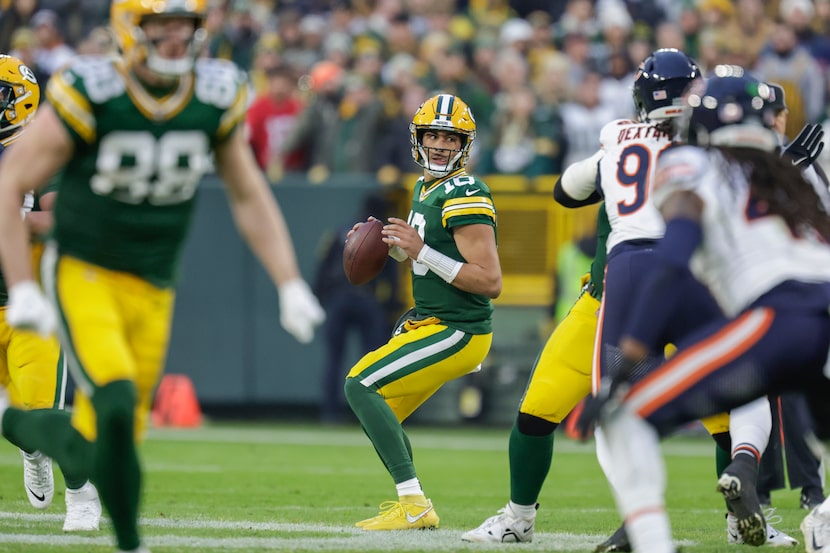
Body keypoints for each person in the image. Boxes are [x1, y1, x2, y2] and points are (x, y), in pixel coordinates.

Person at [0, 2, 325, 553]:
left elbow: (248, 193)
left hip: (152, 282)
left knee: (112, 435)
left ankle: (19, 428)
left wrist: (289, 281)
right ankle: (131, 543)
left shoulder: (214, 93)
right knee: (116, 398)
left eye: (186, 28)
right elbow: (11, 187)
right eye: (162, 27)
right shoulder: (91, 89)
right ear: (131, 31)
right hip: (82, 272)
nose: (176, 40)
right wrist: (24, 283)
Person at [581, 66, 830, 553]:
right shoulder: (796, 179)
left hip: (783, 320)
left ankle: (652, 544)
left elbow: (673, 257)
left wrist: (629, 355)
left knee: (625, 417)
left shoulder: (692, 165)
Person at [345, 93, 501, 531]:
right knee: (382, 415)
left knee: (359, 383)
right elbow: (425, 255)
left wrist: (423, 251)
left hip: (458, 328)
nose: (438, 144)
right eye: (431, 134)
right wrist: (391, 249)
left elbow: (490, 281)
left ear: (464, 144)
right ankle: (412, 504)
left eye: (449, 137)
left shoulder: (467, 191)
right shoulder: (424, 187)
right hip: (429, 321)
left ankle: (414, 504)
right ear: (417, 138)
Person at [0, 52, 102, 533]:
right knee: (13, 423)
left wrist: (16, 221)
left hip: (28, 304)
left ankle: (82, 493)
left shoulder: (41, 148)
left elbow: (64, 218)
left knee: (45, 413)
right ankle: (31, 450)